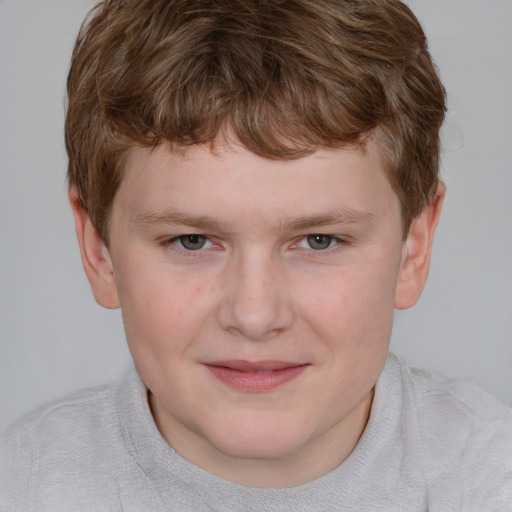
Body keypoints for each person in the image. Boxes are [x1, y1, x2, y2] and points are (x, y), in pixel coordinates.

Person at [1, 0, 511, 510]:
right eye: (191, 241)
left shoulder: (488, 478)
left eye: (319, 241)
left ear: (412, 248)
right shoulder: (23, 486)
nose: (254, 315)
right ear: (99, 249)